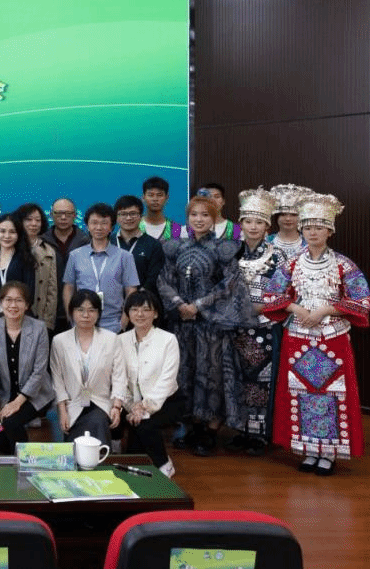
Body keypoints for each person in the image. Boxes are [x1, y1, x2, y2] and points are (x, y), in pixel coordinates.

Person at [263, 193, 370, 476]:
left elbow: (361, 300)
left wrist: (325, 310)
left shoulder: (344, 265)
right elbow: (271, 294)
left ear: (330, 231)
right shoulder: (291, 264)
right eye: (308, 227)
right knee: (301, 391)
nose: (313, 232)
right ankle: (308, 450)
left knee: (332, 392)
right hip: (298, 335)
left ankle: (329, 453)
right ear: (302, 229)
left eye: (319, 227)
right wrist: (297, 308)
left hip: (332, 337)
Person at [157, 195, 252, 456]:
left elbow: (229, 284)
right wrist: (179, 303)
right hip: (183, 324)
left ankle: (210, 430)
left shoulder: (225, 248)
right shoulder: (175, 247)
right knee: (184, 373)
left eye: (205, 215)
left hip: (212, 325)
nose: (199, 219)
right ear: (187, 217)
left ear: (214, 218)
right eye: (194, 214)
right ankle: (191, 425)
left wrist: (198, 305)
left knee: (212, 375)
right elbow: (164, 280)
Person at [228, 188, 286, 456]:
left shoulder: (278, 256)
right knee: (237, 378)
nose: (253, 227)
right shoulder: (231, 252)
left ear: (267, 226)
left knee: (261, 381)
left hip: (263, 327)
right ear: (240, 224)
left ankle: (260, 434)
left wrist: (258, 307)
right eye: (248, 221)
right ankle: (241, 429)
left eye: (259, 222)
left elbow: (284, 293)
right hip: (234, 327)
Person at [116, 290, 182, 477]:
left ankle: (164, 464)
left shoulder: (168, 340)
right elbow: (119, 379)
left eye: (146, 310)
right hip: (131, 403)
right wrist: (131, 406)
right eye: (134, 309)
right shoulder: (120, 340)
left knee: (144, 424)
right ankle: (133, 461)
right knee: (133, 451)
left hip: (166, 401)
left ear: (156, 313)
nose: (140, 314)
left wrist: (143, 407)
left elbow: (167, 380)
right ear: (128, 313)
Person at [0, 282, 54, 454]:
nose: (13, 305)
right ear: (1, 303)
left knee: (11, 422)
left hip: (34, 395)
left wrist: (16, 403)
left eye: (19, 300)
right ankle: (8, 465)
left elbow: (39, 372)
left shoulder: (39, 328)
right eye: (8, 300)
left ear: (27, 305)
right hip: (5, 396)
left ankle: (26, 460)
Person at [50, 290, 125, 443]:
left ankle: (94, 456)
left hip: (100, 401)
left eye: (92, 310)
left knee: (97, 420)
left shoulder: (111, 339)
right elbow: (57, 379)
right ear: (71, 312)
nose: (86, 315)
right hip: (72, 403)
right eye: (80, 310)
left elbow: (119, 376)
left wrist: (117, 407)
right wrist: (62, 411)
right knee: (90, 423)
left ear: (98, 313)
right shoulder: (59, 341)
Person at [62, 202, 140, 333]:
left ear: (111, 227)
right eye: (94, 223)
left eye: (104, 223)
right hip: (82, 322)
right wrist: (71, 318)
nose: (99, 227)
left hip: (113, 324)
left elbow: (131, 290)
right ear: (87, 226)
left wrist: (123, 322)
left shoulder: (125, 256)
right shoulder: (75, 255)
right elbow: (68, 287)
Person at [0, 214, 35, 326]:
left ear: (18, 234)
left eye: (12, 232)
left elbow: (29, 292)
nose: (7, 236)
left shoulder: (25, 259)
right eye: (2, 231)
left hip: (19, 318)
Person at [43, 198, 90, 333]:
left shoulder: (87, 241)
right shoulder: (42, 241)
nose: (63, 217)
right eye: (58, 213)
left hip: (80, 309)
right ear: (51, 215)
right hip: (48, 311)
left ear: (75, 215)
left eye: (68, 214)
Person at [12, 203, 58, 332]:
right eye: (29, 219)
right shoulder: (10, 247)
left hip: (39, 316)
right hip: (12, 313)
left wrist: (48, 322)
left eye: (38, 220)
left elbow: (52, 289)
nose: (34, 224)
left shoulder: (48, 250)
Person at [112, 195, 165, 299]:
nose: (128, 218)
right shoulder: (108, 242)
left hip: (142, 302)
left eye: (133, 213)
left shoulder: (153, 245)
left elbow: (153, 279)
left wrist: (135, 301)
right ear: (116, 218)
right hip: (111, 303)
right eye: (123, 214)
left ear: (141, 216)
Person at [267, 183, 313, 258]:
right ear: (276, 217)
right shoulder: (266, 242)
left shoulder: (310, 243)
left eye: (293, 215)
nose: (288, 219)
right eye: (283, 214)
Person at [140, 176, 184, 242]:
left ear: (167, 197)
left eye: (159, 195)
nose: (155, 199)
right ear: (143, 197)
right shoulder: (134, 227)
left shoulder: (177, 230)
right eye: (150, 195)